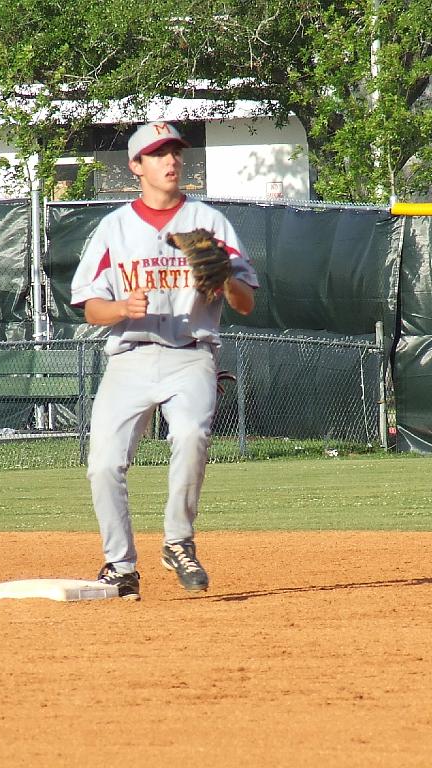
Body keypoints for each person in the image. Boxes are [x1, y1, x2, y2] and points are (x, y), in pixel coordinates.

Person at [70, 121, 259, 600]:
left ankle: (178, 541)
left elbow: (245, 304)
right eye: (157, 154)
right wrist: (121, 309)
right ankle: (120, 565)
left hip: (191, 354)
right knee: (103, 464)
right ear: (136, 166)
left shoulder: (209, 223)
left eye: (174, 152)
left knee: (192, 434)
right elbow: (89, 305)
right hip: (129, 356)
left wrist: (225, 281)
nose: (171, 161)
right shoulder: (114, 227)